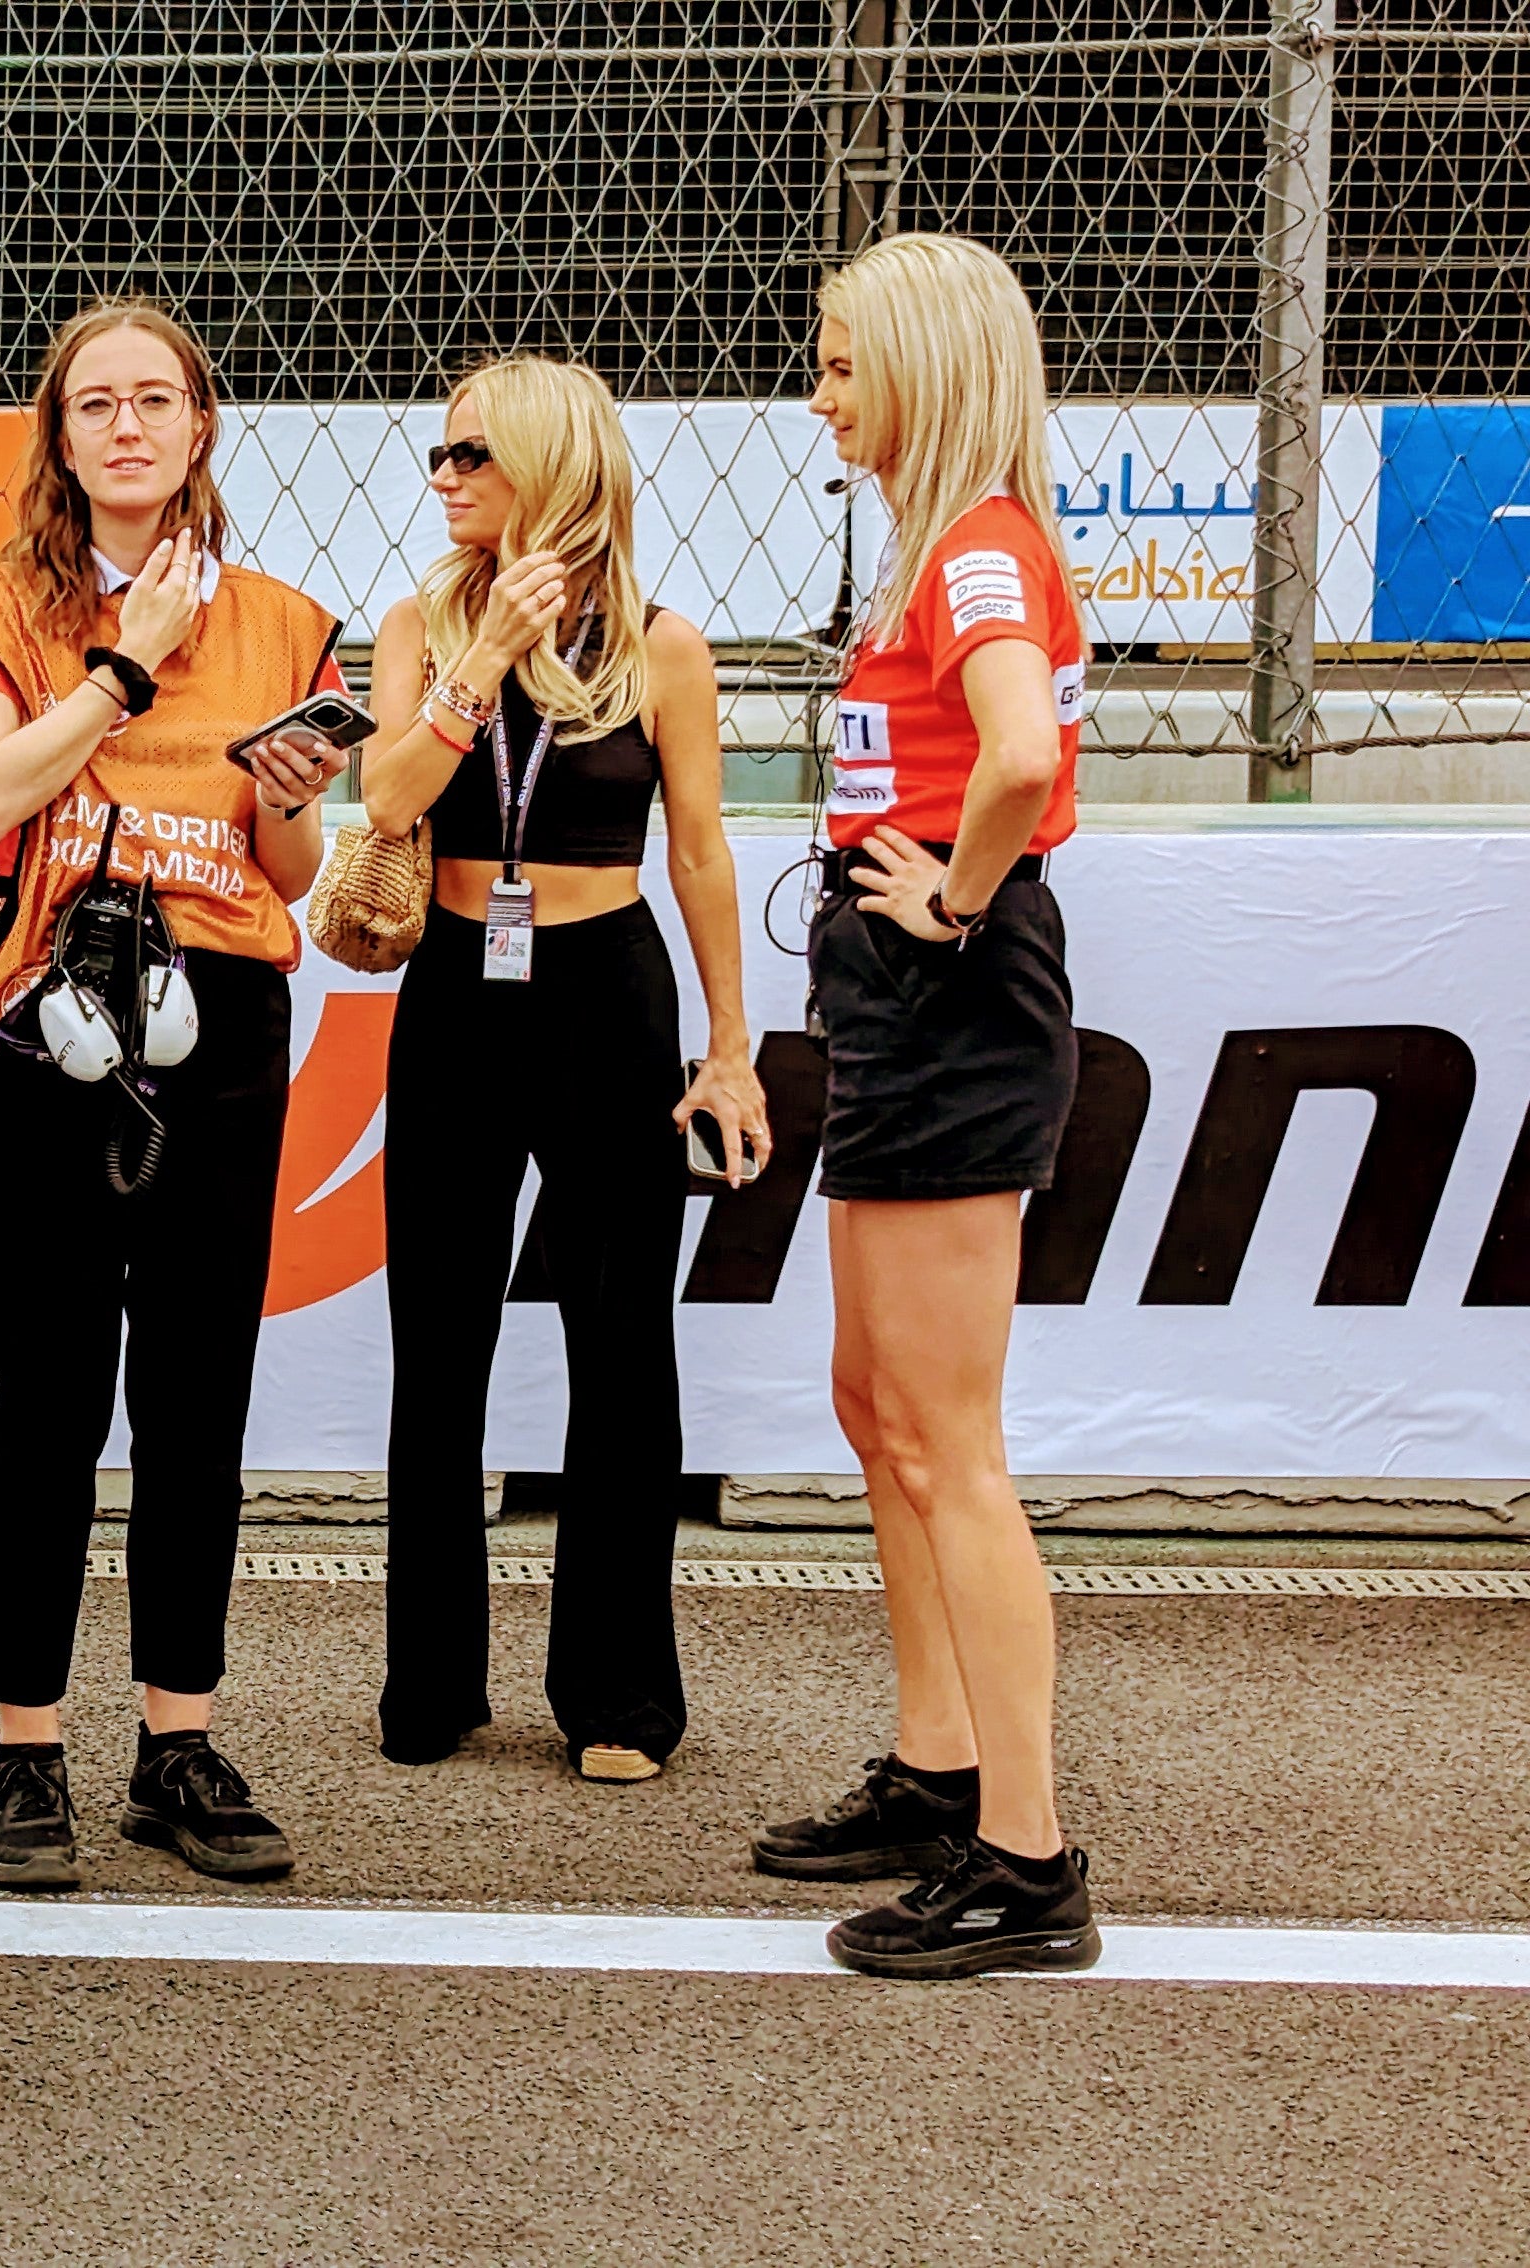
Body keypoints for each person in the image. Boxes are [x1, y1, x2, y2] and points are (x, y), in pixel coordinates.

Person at [0, 302, 347, 1892]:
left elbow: (286, 868)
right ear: (59, 434)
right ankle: (23, 1741)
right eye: (95, 403)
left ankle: (179, 1735)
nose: (125, 428)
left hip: (220, 1012)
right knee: (47, 1393)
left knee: (196, 1394)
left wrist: (294, 803)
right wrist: (125, 666)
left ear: (201, 425)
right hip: (47, 1018)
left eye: (154, 400)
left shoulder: (285, 618)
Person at [345, 354, 772, 1782]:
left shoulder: (664, 645)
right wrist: (473, 665)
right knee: (439, 1338)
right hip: (461, 990)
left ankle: (618, 1696)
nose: (446, 476)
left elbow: (701, 851)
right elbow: (388, 794)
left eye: (472, 453)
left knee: (621, 1343)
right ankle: (430, 1687)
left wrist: (729, 1047)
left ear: (549, 466)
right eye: (441, 453)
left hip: (607, 992)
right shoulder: (421, 621)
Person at [755, 232, 1100, 1980]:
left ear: (920, 365)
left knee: (945, 1436)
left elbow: (1023, 760)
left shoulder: (975, 547)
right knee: (874, 1403)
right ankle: (937, 1764)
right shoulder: (950, 542)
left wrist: (954, 902)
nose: (818, 393)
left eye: (836, 361)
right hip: (905, 996)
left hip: (950, 992)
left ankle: (1026, 1858)